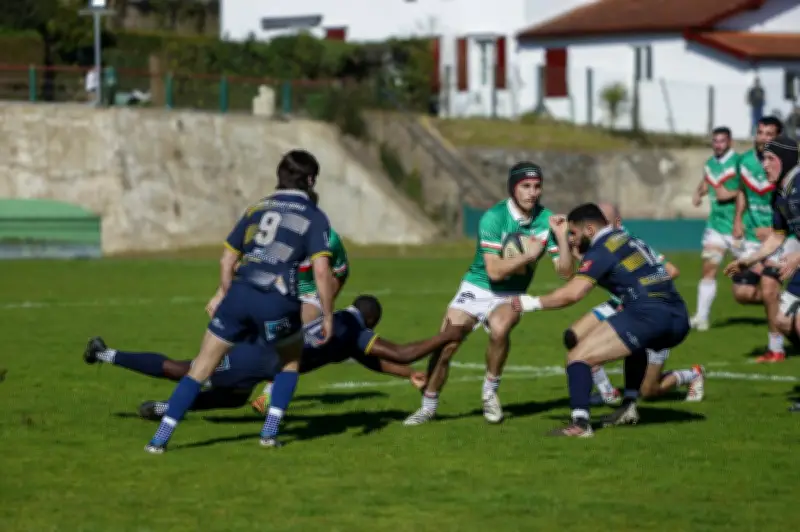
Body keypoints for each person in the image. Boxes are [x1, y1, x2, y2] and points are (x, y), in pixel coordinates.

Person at [145, 150, 337, 453]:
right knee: (289, 363)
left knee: (201, 368)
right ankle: (269, 433)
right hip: (277, 299)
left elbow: (227, 259)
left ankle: (159, 439)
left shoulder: (256, 209)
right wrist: (327, 314)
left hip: (239, 294)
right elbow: (322, 270)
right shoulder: (313, 216)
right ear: (310, 180)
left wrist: (225, 294)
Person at [83, 295, 470, 419]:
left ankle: (166, 407)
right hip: (259, 358)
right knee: (184, 370)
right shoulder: (354, 330)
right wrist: (448, 334)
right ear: (371, 321)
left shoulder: (344, 327)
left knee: (232, 397)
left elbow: (375, 359)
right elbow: (400, 350)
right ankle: (105, 353)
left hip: (263, 356)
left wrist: (406, 376)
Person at [403, 162, 572, 426]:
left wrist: (561, 238)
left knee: (500, 327)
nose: (533, 193)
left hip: (511, 293)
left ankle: (489, 392)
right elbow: (493, 272)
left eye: (537, 186)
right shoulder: (493, 218)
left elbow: (564, 272)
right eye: (525, 186)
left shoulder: (546, 220)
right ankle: (428, 407)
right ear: (513, 188)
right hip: (478, 286)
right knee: (447, 344)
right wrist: (528, 255)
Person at [511, 203, 690, 437]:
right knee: (635, 345)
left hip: (648, 314)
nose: (572, 239)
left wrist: (529, 303)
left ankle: (580, 424)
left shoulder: (602, 250)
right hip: (677, 316)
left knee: (577, 356)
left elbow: (572, 293)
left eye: (573, 233)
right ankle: (628, 405)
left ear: (590, 230)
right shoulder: (628, 239)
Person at [567, 203, 704, 414]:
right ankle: (607, 391)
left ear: (616, 224)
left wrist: (642, 288)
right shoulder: (599, 245)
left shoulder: (630, 243)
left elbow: (671, 271)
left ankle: (692, 374)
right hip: (625, 304)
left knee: (648, 390)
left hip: (651, 310)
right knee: (574, 337)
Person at [724, 135, 799, 401]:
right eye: (763, 158)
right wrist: (749, 260)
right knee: (782, 321)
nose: (764, 165)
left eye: (770, 159)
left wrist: (797, 256)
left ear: (786, 160)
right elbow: (778, 236)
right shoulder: (780, 192)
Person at [691, 126, 758, 331]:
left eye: (722, 141)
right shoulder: (710, 163)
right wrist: (698, 193)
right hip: (716, 227)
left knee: (757, 271)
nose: (718, 144)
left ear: (729, 142)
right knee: (709, 268)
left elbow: (744, 190)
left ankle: (781, 301)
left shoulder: (739, 162)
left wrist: (728, 195)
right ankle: (701, 317)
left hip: (738, 228)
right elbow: (708, 180)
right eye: (715, 141)